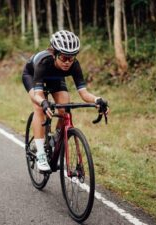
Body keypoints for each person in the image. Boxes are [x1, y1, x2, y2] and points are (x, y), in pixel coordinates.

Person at [22, 30, 109, 172]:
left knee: (65, 108)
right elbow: (38, 94)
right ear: (54, 53)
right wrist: (43, 102)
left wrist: (97, 100)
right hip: (33, 76)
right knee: (39, 107)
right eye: (63, 57)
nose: (67, 62)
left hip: (55, 79)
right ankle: (41, 153)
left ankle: (56, 137)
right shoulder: (44, 62)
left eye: (71, 57)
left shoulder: (74, 65)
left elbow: (84, 93)